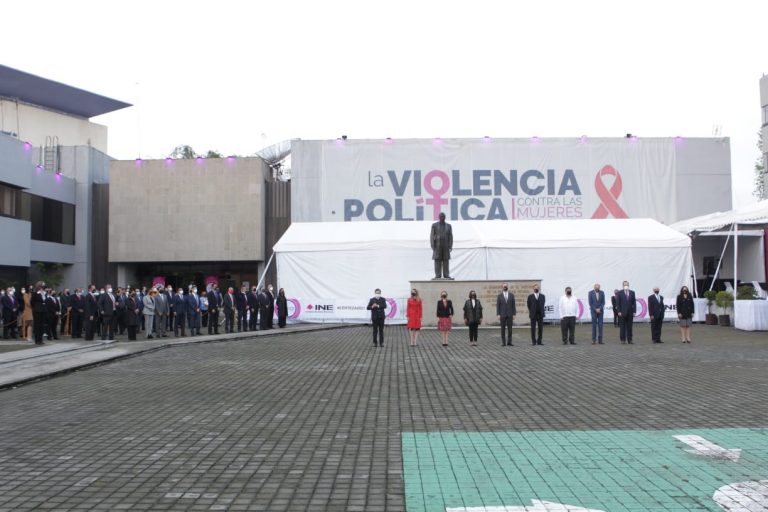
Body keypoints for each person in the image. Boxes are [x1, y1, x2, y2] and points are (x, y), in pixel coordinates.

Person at [430, 212, 453, 279]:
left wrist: (450, 246)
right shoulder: (434, 225)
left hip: (446, 246)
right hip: (437, 246)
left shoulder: (449, 226)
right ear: (439, 217)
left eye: (443, 216)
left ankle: (446, 274)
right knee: (437, 260)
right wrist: (432, 245)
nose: (442, 217)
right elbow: (432, 236)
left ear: (445, 217)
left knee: (446, 260)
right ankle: (438, 275)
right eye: (441, 216)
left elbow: (450, 237)